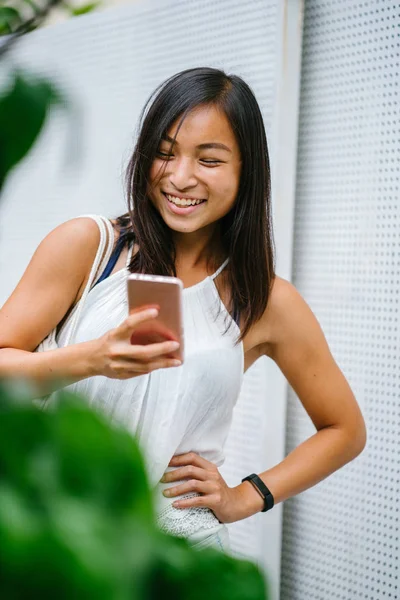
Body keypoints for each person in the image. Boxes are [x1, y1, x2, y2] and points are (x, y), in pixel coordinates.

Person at [0, 67, 366, 554]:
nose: (180, 176)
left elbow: (344, 430)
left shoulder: (265, 300)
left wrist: (245, 496)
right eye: (165, 153)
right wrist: (91, 359)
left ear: (246, 171)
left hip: (176, 549)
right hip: (57, 532)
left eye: (209, 160)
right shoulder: (91, 247)